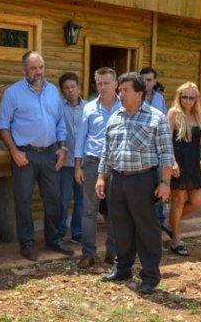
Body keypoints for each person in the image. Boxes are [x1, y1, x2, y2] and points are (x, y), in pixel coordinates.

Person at [95, 72, 173, 294]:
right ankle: (123, 269)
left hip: (143, 180)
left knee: (146, 229)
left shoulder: (156, 118)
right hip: (117, 180)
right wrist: (102, 178)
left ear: (139, 93)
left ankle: (150, 275)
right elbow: (106, 151)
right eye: (119, 90)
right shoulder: (115, 117)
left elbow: (166, 153)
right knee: (120, 227)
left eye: (125, 90)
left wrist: (165, 182)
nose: (120, 94)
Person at [0, 51, 74, 261]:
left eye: (41, 67)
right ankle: (28, 244)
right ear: (24, 69)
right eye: (33, 68)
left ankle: (54, 240)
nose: (38, 72)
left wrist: (63, 147)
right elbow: (3, 125)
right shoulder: (13, 93)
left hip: (50, 153)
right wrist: (14, 151)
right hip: (25, 155)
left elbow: (59, 123)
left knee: (54, 200)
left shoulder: (53, 92)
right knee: (23, 201)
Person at [74, 67, 121, 269]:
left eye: (106, 83)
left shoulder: (125, 106)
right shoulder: (89, 108)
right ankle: (88, 254)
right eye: (99, 83)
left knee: (115, 210)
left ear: (116, 84)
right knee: (89, 211)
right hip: (93, 162)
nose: (102, 87)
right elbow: (80, 138)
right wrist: (78, 166)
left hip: (117, 164)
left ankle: (113, 253)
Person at [166, 82, 201, 256]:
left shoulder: (196, 114)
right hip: (179, 162)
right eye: (184, 97)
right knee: (178, 201)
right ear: (179, 97)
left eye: (191, 97)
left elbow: (195, 136)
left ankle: (170, 223)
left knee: (197, 201)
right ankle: (176, 240)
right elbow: (167, 140)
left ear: (196, 99)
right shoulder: (174, 113)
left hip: (193, 164)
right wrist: (172, 162)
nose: (188, 101)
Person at [139, 67, 171, 237]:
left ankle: (158, 221)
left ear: (154, 81)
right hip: (141, 151)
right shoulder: (135, 98)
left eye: (149, 80)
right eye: (143, 79)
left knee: (159, 185)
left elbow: (165, 122)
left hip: (157, 150)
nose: (146, 83)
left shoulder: (160, 99)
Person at [58, 72, 86, 245]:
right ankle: (60, 232)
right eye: (66, 88)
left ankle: (77, 232)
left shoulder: (89, 108)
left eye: (73, 86)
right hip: (64, 164)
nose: (70, 90)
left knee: (81, 200)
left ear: (78, 87)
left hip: (83, 164)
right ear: (62, 91)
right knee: (63, 199)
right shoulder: (59, 107)